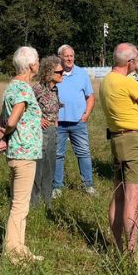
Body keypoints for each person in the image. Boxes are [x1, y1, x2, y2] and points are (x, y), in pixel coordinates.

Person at [100, 43, 138, 253]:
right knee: (133, 199)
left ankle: (116, 246)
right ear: (129, 62)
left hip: (117, 139)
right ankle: (132, 253)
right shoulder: (128, 83)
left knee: (118, 195)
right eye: (136, 60)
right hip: (134, 140)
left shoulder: (106, 81)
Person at [0, 46, 44, 263]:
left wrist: (3, 136)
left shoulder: (11, 87)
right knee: (20, 205)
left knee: (19, 202)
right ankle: (13, 251)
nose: (39, 64)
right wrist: (7, 131)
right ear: (31, 65)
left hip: (17, 151)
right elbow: (12, 120)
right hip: (24, 152)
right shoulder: (24, 89)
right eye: (38, 61)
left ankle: (18, 247)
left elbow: (1, 119)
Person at [54, 44, 96, 196]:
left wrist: (86, 114)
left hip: (78, 122)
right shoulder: (55, 73)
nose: (70, 58)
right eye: (66, 56)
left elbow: (90, 96)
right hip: (58, 123)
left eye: (71, 56)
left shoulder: (81, 73)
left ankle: (88, 185)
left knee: (83, 153)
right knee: (58, 155)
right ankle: (57, 187)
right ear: (60, 57)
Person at [32, 55, 64, 208]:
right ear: (49, 73)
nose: (62, 75)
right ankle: (35, 203)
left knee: (50, 165)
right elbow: (25, 108)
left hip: (52, 131)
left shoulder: (55, 89)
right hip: (40, 132)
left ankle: (47, 199)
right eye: (59, 72)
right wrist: (38, 120)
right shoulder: (37, 88)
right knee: (38, 166)